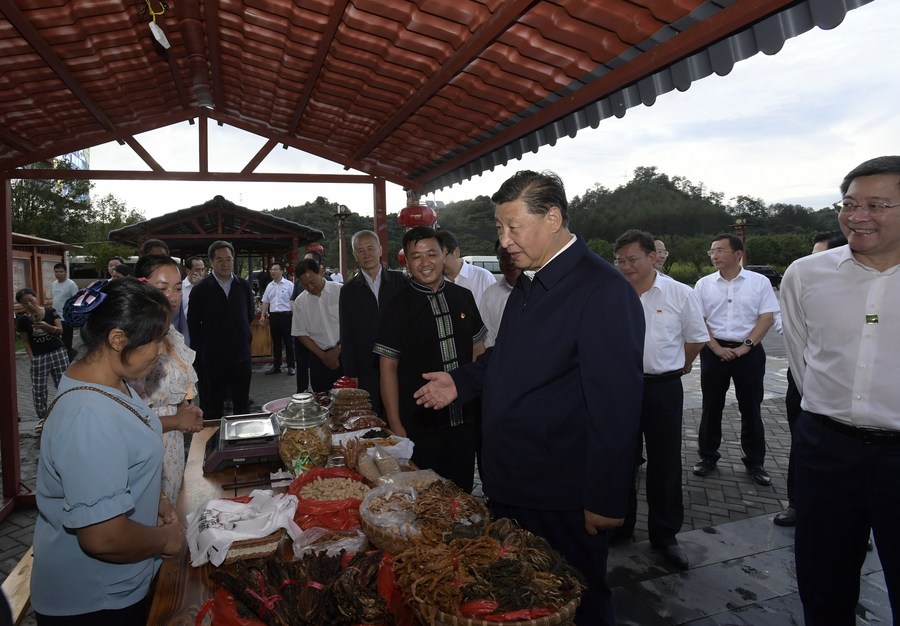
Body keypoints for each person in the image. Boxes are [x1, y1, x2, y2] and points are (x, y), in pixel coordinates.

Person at [413, 171, 644, 625]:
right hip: (514, 481)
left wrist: (606, 497)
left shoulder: (602, 291)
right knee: (523, 596)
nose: (504, 240)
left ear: (552, 218)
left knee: (576, 599)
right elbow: (508, 355)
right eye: (499, 227)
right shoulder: (532, 281)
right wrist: (461, 382)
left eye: (512, 226)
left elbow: (616, 407)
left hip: (559, 491)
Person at [781, 156, 900, 625]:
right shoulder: (806, 274)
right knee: (822, 582)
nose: (857, 216)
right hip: (826, 450)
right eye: (849, 204)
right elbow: (800, 357)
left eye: (877, 205)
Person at [31, 278, 184, 624]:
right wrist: (164, 539)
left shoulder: (110, 382)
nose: (161, 351)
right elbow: (103, 536)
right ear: (117, 339)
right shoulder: (88, 415)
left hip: (119, 585)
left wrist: (153, 499)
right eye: (156, 340)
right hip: (93, 602)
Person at [611, 230, 708, 569]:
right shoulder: (610, 293)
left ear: (653, 257)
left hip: (663, 388)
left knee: (665, 462)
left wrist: (679, 365)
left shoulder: (680, 293)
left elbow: (696, 339)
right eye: (620, 260)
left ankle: (665, 534)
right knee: (620, 458)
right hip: (619, 389)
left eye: (632, 259)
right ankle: (618, 525)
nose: (625, 266)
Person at [374, 227, 486, 492]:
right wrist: (395, 423)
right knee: (424, 496)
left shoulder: (463, 297)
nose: (425, 262)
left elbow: (478, 351)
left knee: (462, 491)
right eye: (416, 256)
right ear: (407, 262)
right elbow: (387, 368)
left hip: (464, 417)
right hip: (419, 422)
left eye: (432, 254)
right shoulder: (396, 307)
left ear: (444, 255)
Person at [691, 233, 779, 486]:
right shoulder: (704, 284)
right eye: (712, 251)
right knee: (711, 406)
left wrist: (745, 347)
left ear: (738, 254)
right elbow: (699, 319)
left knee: (751, 408)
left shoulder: (759, 282)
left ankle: (755, 461)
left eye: (720, 250)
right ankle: (707, 456)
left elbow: (766, 317)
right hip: (714, 352)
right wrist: (716, 347)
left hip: (749, 353)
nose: (714, 255)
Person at [775, 231, 848, 527]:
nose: (811, 263)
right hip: (803, 377)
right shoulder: (806, 286)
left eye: (819, 256)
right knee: (802, 442)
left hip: (849, 387)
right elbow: (786, 328)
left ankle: (853, 517)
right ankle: (797, 503)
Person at [130, 255, 204, 503]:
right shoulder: (132, 341)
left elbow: (176, 385)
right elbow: (124, 420)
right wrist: (177, 419)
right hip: (145, 449)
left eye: (178, 288)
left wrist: (185, 408)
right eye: (162, 288)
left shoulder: (170, 332)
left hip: (172, 443)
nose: (172, 297)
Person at [338, 230, 406, 412]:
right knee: (371, 417)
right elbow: (346, 333)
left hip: (400, 364)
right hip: (366, 368)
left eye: (370, 248)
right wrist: (351, 373)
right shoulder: (348, 291)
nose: (366, 254)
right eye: (360, 251)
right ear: (355, 255)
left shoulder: (401, 281)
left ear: (380, 250)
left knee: (402, 413)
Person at [187, 240, 255, 419]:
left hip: (241, 354)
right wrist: (200, 355)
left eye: (229, 259)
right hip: (212, 358)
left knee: (242, 403)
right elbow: (193, 324)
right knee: (212, 405)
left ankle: (242, 434)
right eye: (220, 260)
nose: (225, 263)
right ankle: (213, 436)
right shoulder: (201, 289)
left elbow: (249, 315)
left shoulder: (243, 285)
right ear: (211, 261)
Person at [15, 288, 69, 434]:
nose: (29, 304)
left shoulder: (51, 312)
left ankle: (66, 414)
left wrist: (47, 327)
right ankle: (43, 417)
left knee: (63, 384)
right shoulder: (23, 320)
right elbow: (26, 341)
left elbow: (60, 330)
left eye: (31, 300)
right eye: (24, 303)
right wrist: (32, 357)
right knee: (39, 388)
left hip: (57, 352)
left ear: (36, 297)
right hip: (39, 356)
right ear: (21, 305)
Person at [292, 258, 343, 392]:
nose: (310, 287)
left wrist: (337, 349)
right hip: (320, 359)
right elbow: (301, 334)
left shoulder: (340, 291)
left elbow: (352, 325)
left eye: (312, 282)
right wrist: (324, 356)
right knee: (322, 398)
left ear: (320, 272)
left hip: (345, 355)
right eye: (305, 285)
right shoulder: (300, 302)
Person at [477, 240, 520, 348]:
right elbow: (487, 337)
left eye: (514, 255)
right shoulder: (490, 294)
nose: (510, 262)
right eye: (504, 257)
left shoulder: (538, 290)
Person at [437, 230, 497, 307]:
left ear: (456, 252)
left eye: (442, 257)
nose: (438, 262)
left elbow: (496, 308)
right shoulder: (434, 283)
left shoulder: (483, 277)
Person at [260, 263, 296, 376]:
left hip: (286, 316)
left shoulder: (289, 285)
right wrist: (262, 315)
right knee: (276, 342)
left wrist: (296, 316)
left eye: (275, 269)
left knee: (288, 342)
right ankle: (276, 366)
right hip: (274, 316)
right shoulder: (269, 286)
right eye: (272, 270)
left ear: (281, 271)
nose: (273, 271)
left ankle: (291, 366)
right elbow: (265, 301)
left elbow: (294, 301)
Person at [51, 262, 78, 360]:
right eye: (56, 272)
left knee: (67, 341)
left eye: (61, 271)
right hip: (55, 317)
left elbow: (76, 301)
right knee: (56, 340)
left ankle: (68, 360)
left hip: (66, 317)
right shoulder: (54, 284)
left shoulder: (71, 284)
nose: (58, 273)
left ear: (65, 272)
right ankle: (59, 358)